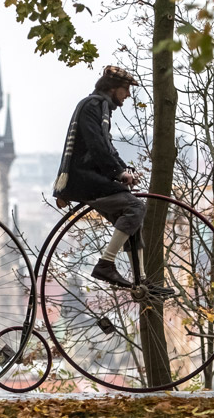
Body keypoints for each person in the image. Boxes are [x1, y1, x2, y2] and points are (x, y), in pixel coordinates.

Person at [52, 65, 173, 296]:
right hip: (84, 179)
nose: (127, 95)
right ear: (113, 88)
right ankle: (106, 264)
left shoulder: (100, 107)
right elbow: (97, 147)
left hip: (90, 177)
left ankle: (142, 281)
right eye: (125, 89)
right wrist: (118, 173)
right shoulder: (94, 106)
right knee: (135, 206)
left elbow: (106, 147)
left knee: (131, 216)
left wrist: (123, 170)